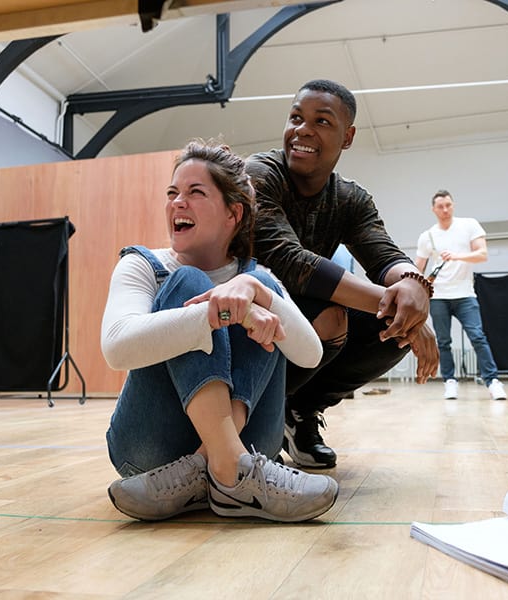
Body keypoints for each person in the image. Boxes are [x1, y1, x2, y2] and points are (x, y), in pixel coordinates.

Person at [101, 139, 338, 523]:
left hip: (252, 445)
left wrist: (258, 294)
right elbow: (116, 348)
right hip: (147, 452)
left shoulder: (260, 277)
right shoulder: (143, 265)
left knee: (258, 293)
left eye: (196, 192)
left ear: (233, 214)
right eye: (173, 193)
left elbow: (310, 354)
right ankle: (229, 472)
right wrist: (229, 315)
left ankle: (210, 466)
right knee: (188, 282)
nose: (178, 202)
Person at [246, 79, 440, 469]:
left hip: (301, 319)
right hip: (246, 319)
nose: (303, 129)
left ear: (347, 137)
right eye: (296, 117)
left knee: (393, 328)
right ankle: (256, 412)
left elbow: (384, 255)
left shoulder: (351, 198)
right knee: (338, 314)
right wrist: (402, 302)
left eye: (322, 121)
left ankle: (300, 411)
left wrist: (413, 286)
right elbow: (291, 262)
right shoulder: (258, 174)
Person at [415, 189, 507, 401]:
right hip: (438, 297)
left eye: (448, 205)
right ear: (433, 209)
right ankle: (450, 382)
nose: (445, 210)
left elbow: (482, 254)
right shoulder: (427, 236)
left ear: (453, 205)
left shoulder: (469, 225)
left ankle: (492, 381)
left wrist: (457, 256)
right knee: (443, 341)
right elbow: (418, 267)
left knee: (478, 337)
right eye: (440, 206)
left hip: (465, 294)